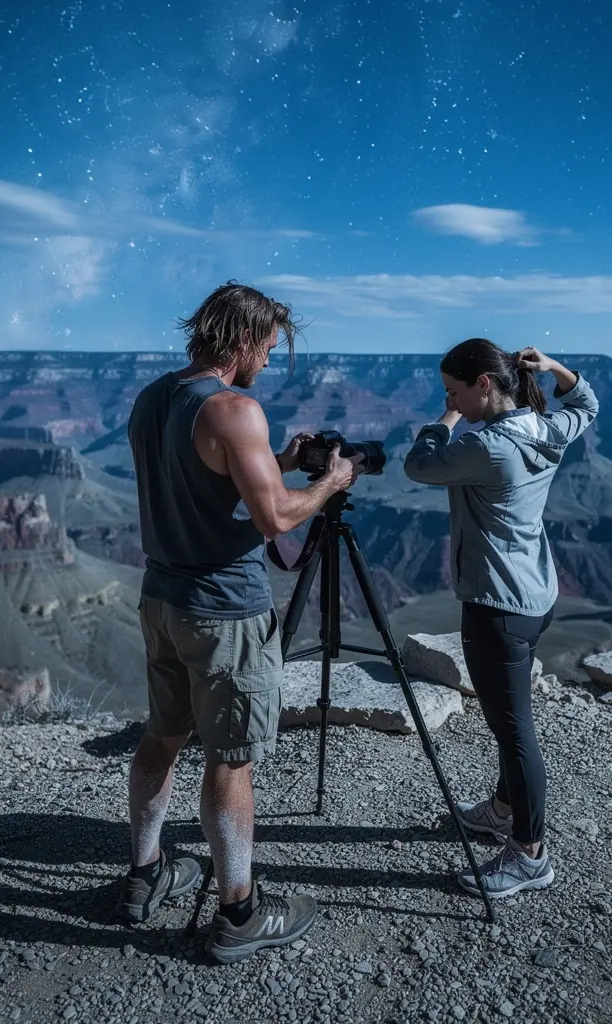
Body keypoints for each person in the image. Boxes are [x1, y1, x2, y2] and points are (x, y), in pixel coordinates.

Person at [119, 281, 361, 964]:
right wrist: (329, 482)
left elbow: (195, 474)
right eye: (270, 348)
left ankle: (143, 875)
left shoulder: (155, 397)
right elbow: (277, 518)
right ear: (245, 340)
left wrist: (276, 462)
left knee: (162, 735)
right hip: (223, 612)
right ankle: (240, 913)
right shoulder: (233, 408)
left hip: (161, 599)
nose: (269, 362)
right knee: (230, 758)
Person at [403, 339, 599, 900]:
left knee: (513, 731)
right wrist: (558, 366)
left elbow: (419, 466)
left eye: (455, 390)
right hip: (535, 594)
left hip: (498, 605)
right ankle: (502, 809)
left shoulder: (487, 447)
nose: (451, 399)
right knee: (508, 721)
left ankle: (530, 854)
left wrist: (443, 419)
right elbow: (585, 407)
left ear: (483, 385)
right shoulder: (544, 428)